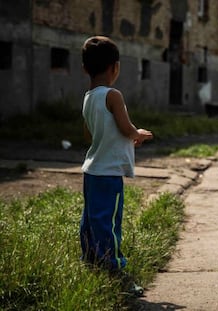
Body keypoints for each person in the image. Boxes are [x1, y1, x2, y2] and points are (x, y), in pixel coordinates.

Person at [80, 36, 153, 295]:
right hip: (108, 175)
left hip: (91, 170)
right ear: (116, 67)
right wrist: (138, 134)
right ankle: (115, 272)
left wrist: (124, 141)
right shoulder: (113, 94)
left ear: (85, 68)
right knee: (109, 223)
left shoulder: (89, 97)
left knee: (91, 220)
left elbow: (93, 136)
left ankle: (90, 262)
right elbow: (125, 127)